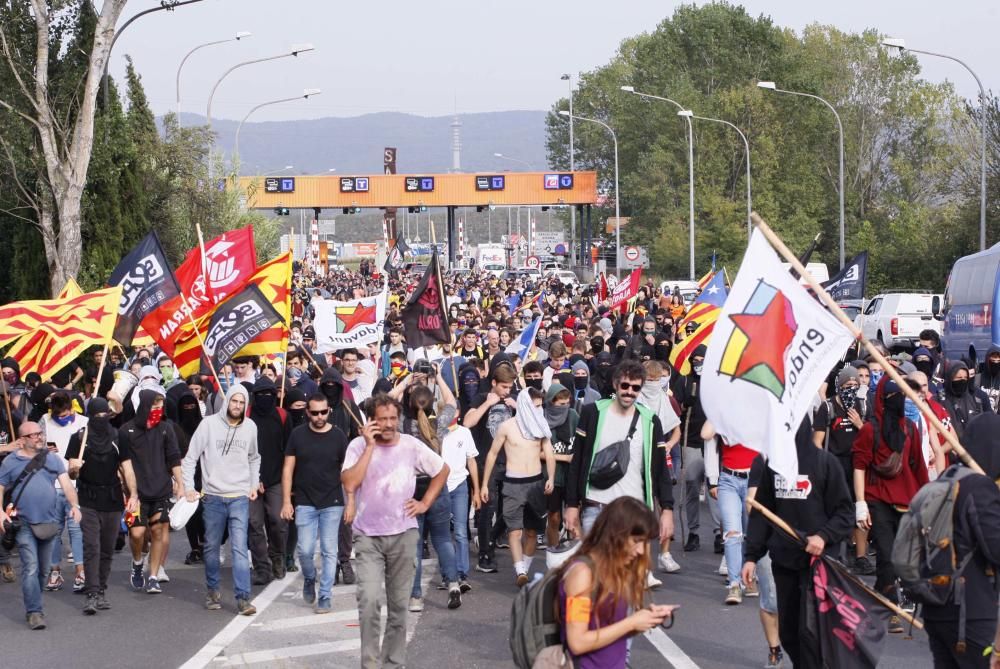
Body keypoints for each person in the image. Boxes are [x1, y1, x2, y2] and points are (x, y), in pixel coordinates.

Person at [341, 394, 449, 669]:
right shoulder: (356, 446)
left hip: (403, 534)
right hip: (367, 538)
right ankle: (370, 664)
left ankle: (393, 663)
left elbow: (442, 470)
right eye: (382, 419)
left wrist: (425, 503)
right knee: (369, 602)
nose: (389, 424)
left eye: (393, 418)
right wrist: (368, 447)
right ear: (372, 421)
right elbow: (350, 483)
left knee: (399, 608)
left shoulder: (411, 445)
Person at [742, 417, 854, 668]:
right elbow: (761, 514)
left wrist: (823, 536)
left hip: (818, 565)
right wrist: (751, 556)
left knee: (811, 633)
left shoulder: (826, 464)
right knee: (789, 633)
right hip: (784, 562)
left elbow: (845, 514)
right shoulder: (773, 467)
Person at [564, 361, 674, 556]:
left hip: (634, 511)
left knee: (626, 578)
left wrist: (667, 509)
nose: (629, 391)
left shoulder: (650, 421)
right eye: (625, 385)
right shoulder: (592, 413)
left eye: (635, 387)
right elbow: (577, 462)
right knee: (597, 572)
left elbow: (660, 470)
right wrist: (572, 505)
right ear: (616, 384)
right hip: (596, 507)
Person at [559, 497, 678, 669]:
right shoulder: (582, 574)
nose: (641, 550)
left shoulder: (617, 570)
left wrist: (644, 620)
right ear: (615, 534)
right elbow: (577, 642)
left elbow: (612, 631)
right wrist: (631, 623)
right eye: (636, 541)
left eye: (645, 543)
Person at [854, 377, 930, 632]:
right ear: (884, 399)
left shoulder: (910, 428)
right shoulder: (869, 429)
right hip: (878, 500)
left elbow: (919, 468)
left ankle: (879, 597)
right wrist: (861, 503)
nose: (900, 401)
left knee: (904, 560)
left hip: (907, 502)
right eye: (895, 396)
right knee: (887, 556)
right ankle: (894, 610)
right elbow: (859, 467)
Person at [925, 412, 1000, 668]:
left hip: (936, 602)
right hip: (970, 609)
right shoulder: (980, 487)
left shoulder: (946, 479)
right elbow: (995, 547)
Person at [182, 384, 261, 615]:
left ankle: (243, 598)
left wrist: (254, 483)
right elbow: (190, 458)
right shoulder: (208, 424)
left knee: (239, 548)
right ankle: (213, 590)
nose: (237, 406)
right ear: (227, 402)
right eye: (234, 401)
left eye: (241, 402)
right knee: (212, 548)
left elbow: (254, 457)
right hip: (213, 497)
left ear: (246, 405)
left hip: (239, 496)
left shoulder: (250, 427)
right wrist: (188, 487)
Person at [0, 422, 81, 629]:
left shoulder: (52, 459)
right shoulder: (10, 462)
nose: (39, 437)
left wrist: (74, 505)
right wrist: (0, 513)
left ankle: (35, 599)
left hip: (50, 521)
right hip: (23, 523)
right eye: (34, 434)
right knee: (30, 567)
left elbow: (66, 484)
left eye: (40, 433)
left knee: (43, 571)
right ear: (22, 440)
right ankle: (34, 612)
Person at [65, 399, 139, 615]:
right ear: (90, 416)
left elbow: (128, 468)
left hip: (113, 498)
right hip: (87, 498)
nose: (100, 420)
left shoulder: (119, 436)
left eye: (103, 415)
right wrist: (74, 470)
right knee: (91, 547)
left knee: (107, 548)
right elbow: (71, 472)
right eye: (96, 416)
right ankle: (91, 593)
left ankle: (102, 590)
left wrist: (133, 494)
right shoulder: (78, 438)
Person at [280, 393, 349, 613]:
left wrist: (351, 500)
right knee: (305, 550)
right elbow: (288, 468)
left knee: (330, 551)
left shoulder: (338, 436)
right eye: (315, 412)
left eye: (324, 412)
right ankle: (310, 578)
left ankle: (325, 596)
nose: (320, 416)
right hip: (304, 501)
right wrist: (285, 501)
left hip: (333, 501)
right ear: (307, 412)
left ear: (329, 411)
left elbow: (346, 471)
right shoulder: (297, 435)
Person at [480, 387, 556, 586]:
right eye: (535, 406)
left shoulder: (541, 425)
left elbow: (549, 453)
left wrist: (551, 477)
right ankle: (519, 570)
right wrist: (484, 485)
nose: (539, 410)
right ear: (524, 405)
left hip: (536, 483)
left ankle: (525, 569)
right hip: (512, 484)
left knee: (532, 532)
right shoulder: (507, 427)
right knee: (514, 531)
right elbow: (492, 454)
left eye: (541, 406)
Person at [811, 365, 874, 574]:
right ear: (839, 386)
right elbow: (817, 441)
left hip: (858, 466)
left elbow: (871, 436)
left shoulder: (863, 407)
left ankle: (861, 556)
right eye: (848, 385)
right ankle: (837, 553)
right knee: (836, 510)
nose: (852, 389)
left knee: (860, 508)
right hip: (834, 464)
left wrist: (860, 425)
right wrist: (822, 467)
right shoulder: (827, 408)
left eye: (856, 385)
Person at [120, 390, 183, 595]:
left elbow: (174, 457)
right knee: (137, 533)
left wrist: (180, 483)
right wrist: (132, 492)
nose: (158, 411)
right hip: (136, 493)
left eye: (160, 407)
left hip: (161, 490)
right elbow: (125, 465)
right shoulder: (126, 431)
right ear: (144, 406)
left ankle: (154, 576)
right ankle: (138, 562)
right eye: (155, 407)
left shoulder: (166, 429)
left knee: (158, 532)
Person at [38, 390, 87, 592]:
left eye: (65, 415)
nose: (61, 419)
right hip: (51, 485)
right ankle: (55, 572)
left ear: (71, 408)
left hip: (75, 485)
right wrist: (43, 450)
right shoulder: (45, 421)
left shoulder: (84, 422)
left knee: (76, 530)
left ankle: (80, 571)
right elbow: (36, 447)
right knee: (54, 532)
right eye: (57, 416)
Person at [247, 376, 290, 584]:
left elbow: (289, 450)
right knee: (254, 523)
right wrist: (254, 477)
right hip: (250, 480)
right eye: (261, 395)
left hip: (276, 478)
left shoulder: (281, 415)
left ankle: (277, 557)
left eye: (269, 395)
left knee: (278, 520)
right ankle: (261, 568)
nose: (265, 398)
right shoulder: (246, 417)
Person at [543, 383, 578, 548]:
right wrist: (564, 458)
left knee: (574, 516)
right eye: (560, 404)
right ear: (551, 402)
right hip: (552, 475)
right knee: (554, 516)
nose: (564, 407)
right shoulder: (541, 419)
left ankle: (576, 555)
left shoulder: (573, 416)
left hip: (571, 475)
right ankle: (553, 550)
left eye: (567, 403)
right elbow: (537, 452)